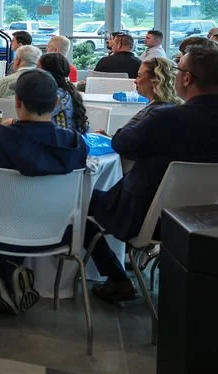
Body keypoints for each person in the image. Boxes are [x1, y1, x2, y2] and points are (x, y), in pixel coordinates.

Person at [86, 45, 218, 303]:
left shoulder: (167, 119)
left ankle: (117, 278)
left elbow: (121, 143)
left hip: (146, 216)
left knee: (81, 204)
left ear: (187, 78)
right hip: (204, 222)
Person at [0, 69, 88, 315]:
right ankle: (10, 278)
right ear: (55, 102)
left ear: (16, 101)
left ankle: (3, 275)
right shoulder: (75, 143)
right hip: (57, 231)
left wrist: (6, 129)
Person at [121, 57, 180, 130]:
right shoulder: (172, 108)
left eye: (139, 76)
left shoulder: (155, 114)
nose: (135, 81)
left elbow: (124, 138)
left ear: (154, 81)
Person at [39, 52, 89, 133]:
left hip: (61, 142)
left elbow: (36, 120)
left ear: (48, 73)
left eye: (38, 69)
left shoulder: (56, 95)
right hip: (71, 140)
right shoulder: (68, 91)